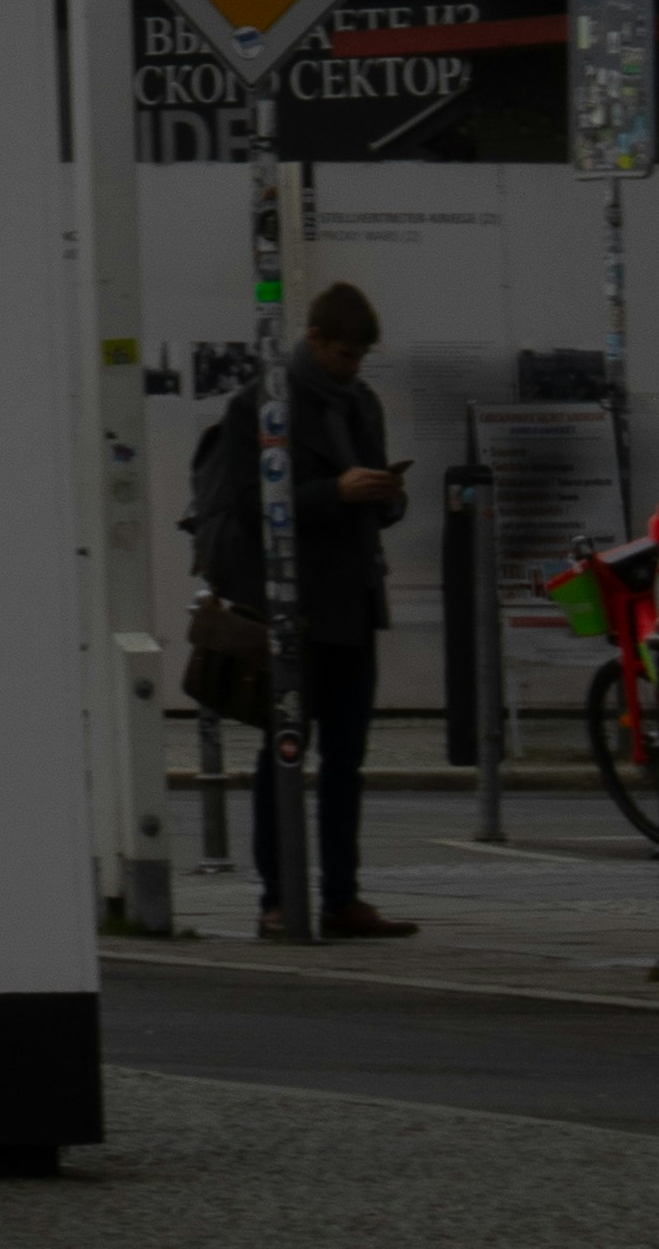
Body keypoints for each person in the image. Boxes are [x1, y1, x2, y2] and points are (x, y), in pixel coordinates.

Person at [189, 276, 416, 939]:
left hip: (355, 599)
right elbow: (253, 505)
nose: (354, 366)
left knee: (348, 756)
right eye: (346, 353)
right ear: (315, 338)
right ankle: (277, 895)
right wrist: (333, 493)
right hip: (291, 606)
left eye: (362, 356)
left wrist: (386, 495)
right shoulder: (262, 404)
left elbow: (374, 494)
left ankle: (342, 896)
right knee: (283, 750)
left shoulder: (361, 402)